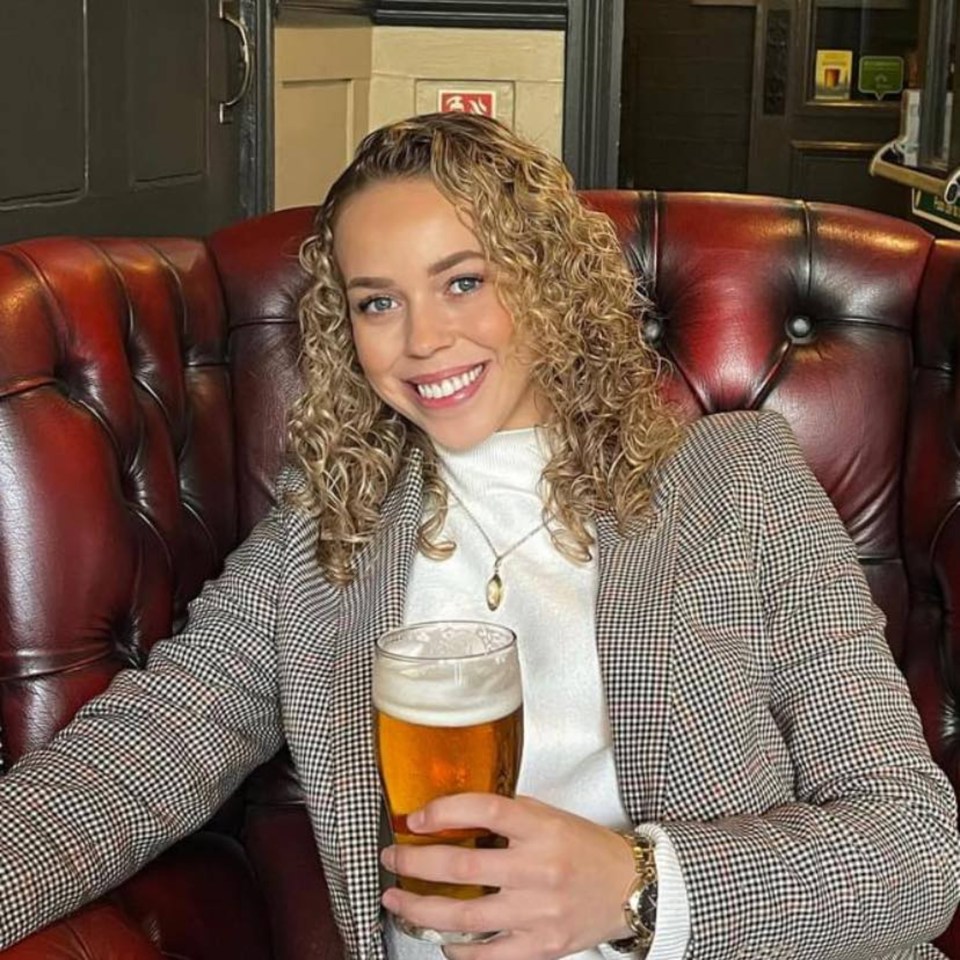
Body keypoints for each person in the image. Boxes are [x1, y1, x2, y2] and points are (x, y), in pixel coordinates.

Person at [0, 112, 958, 960]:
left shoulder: (737, 482)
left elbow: (916, 847)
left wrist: (639, 887)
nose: (421, 340)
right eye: (379, 301)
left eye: (463, 281)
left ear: (549, 281)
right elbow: (131, 759)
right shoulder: (326, 535)